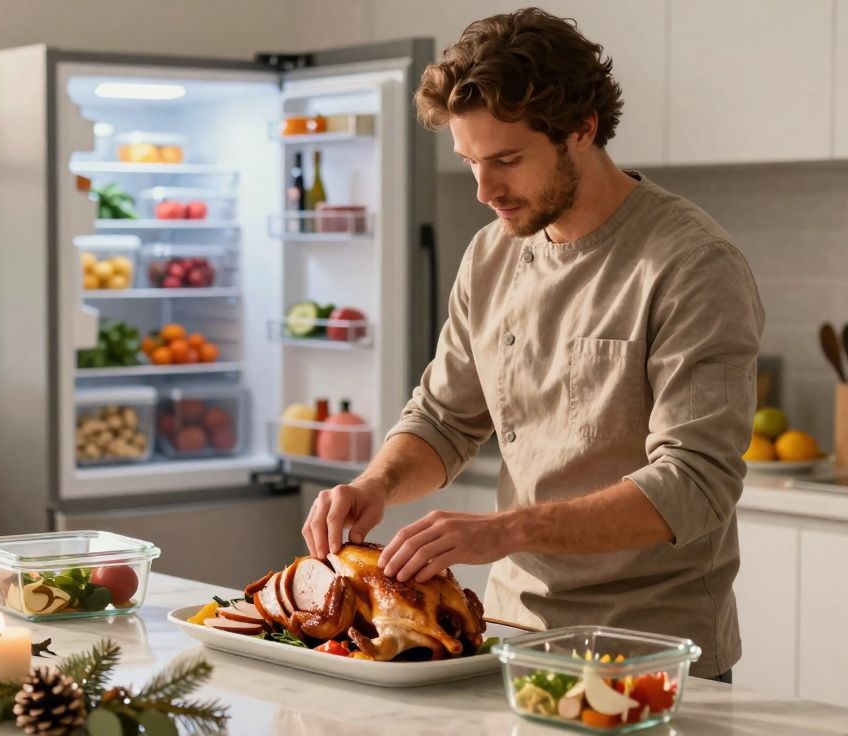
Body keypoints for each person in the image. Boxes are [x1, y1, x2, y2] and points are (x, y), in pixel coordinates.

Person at [301, 8, 764, 681]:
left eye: (507, 161)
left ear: (583, 130)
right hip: (506, 638)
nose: (485, 192)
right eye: (470, 163)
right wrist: (376, 485)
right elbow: (443, 419)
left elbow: (693, 487)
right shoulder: (493, 254)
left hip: (649, 655)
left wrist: (504, 531)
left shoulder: (690, 263)